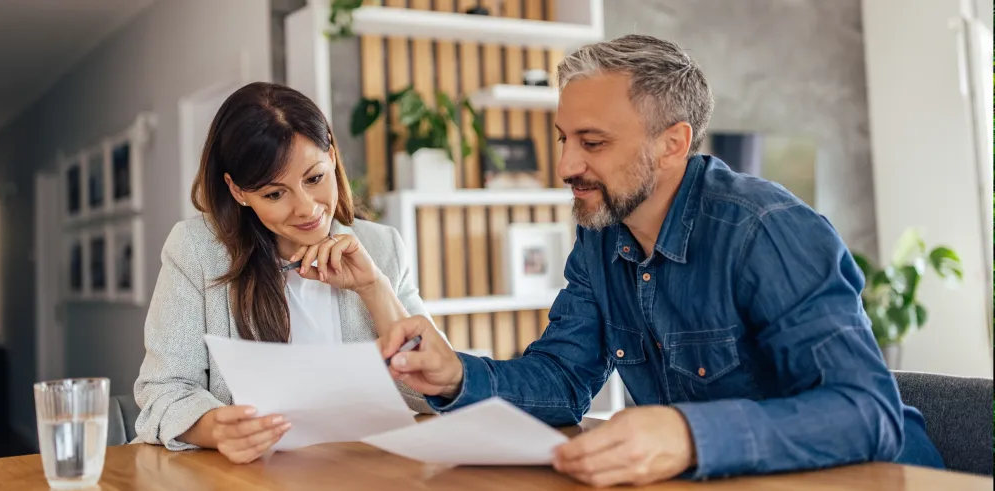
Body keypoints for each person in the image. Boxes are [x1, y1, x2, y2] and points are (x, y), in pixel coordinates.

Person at [377, 34, 945, 487]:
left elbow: (864, 413)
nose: (566, 166)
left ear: (673, 143)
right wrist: (457, 376)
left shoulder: (766, 230)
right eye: (563, 138)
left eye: (593, 143)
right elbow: (563, 379)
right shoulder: (602, 235)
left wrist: (688, 435)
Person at [134, 82, 434, 464]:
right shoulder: (195, 250)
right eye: (275, 194)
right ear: (238, 191)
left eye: (314, 178)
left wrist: (375, 289)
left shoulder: (382, 246)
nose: (306, 208)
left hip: (361, 471)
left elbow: (435, 392)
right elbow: (163, 392)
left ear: (331, 156)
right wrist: (216, 429)